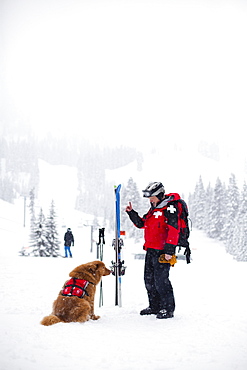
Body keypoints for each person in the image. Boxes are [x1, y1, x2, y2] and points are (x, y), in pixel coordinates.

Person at [125, 181, 181, 319]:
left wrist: (169, 251)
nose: (150, 200)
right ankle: (155, 306)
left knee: (161, 281)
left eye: (152, 197)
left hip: (163, 252)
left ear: (160, 195)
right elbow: (142, 224)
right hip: (151, 250)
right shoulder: (154, 210)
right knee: (149, 280)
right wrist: (132, 213)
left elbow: (174, 230)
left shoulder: (169, 209)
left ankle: (168, 309)